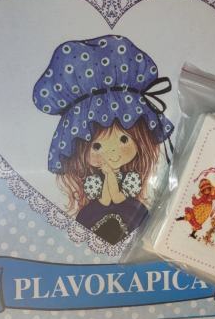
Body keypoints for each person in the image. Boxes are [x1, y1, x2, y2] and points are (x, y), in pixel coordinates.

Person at [33, 35, 174, 244]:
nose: (113, 152)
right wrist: (107, 174)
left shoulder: (132, 182)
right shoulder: (92, 185)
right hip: (97, 214)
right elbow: (106, 199)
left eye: (124, 139)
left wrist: (109, 174)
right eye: (97, 145)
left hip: (128, 210)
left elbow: (117, 198)